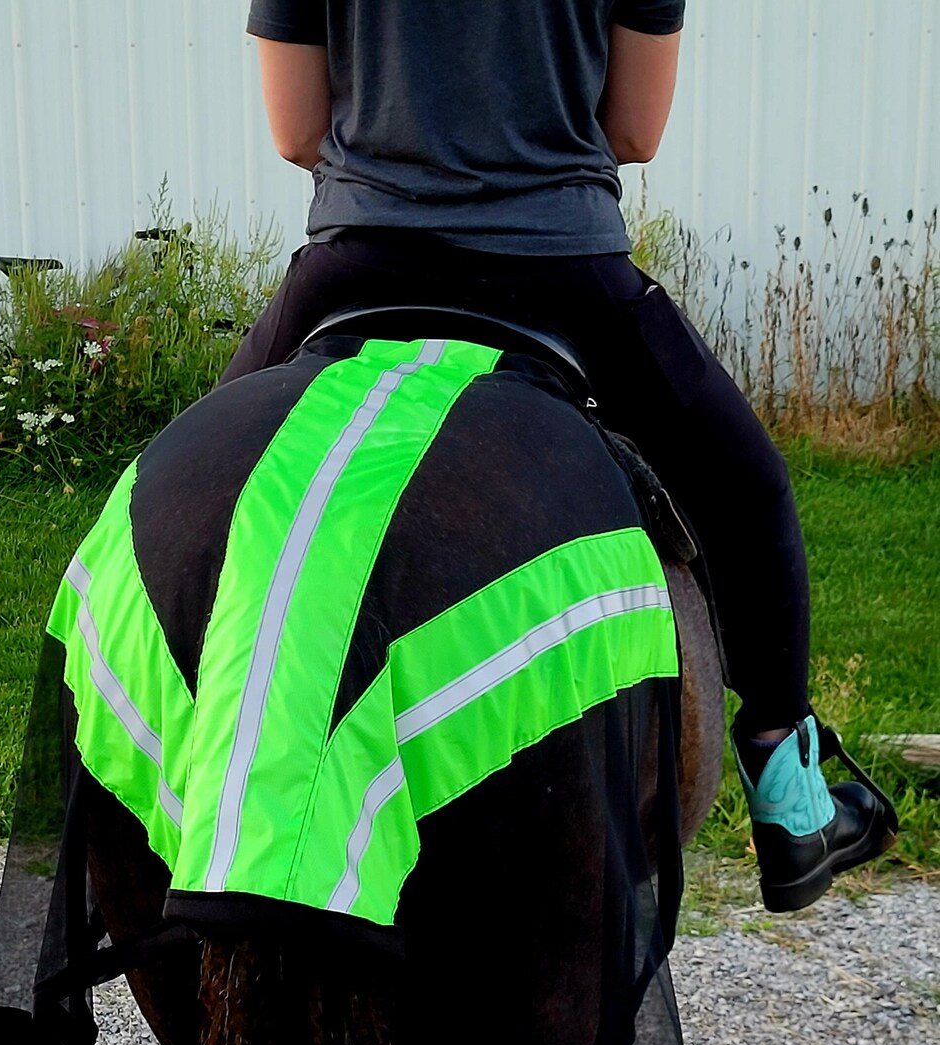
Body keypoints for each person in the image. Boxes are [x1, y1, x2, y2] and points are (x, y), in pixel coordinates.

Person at [224, 0, 896, 911]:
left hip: (358, 262)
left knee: (188, 494)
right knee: (748, 488)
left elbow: (294, 127)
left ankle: (131, 790)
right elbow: (635, 129)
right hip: (559, 268)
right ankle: (789, 793)